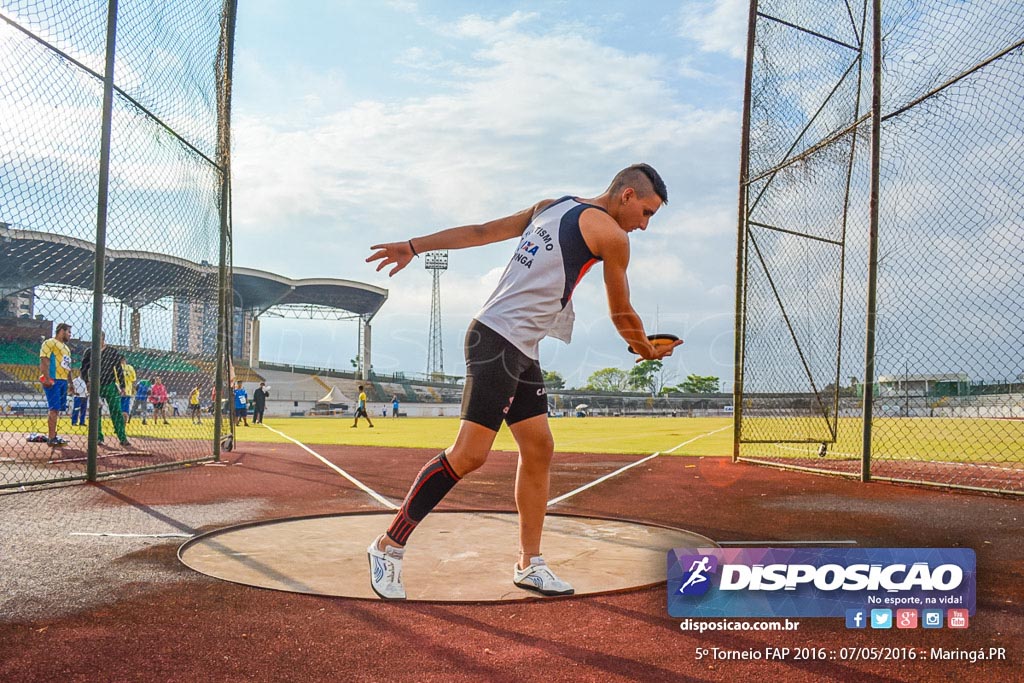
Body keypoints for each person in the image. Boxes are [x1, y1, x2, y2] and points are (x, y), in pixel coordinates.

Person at [363, 164, 681, 600]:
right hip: (498, 340)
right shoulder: (611, 235)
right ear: (627, 195)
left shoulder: (552, 205)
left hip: (517, 344)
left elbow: (479, 232)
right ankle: (388, 546)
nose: (644, 224)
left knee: (539, 447)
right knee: (469, 455)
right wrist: (644, 349)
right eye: (646, 212)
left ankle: (529, 563)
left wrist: (414, 246)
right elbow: (621, 311)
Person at [80, 333, 131, 449]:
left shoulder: (112, 352)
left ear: (103, 339)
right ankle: (98, 437)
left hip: (110, 384)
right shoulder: (89, 352)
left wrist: (122, 385)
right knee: (95, 413)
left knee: (116, 411)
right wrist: (87, 381)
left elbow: (118, 369)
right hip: (95, 385)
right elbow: (83, 368)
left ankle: (122, 437)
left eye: (99, 339)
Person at [38, 322, 72, 447]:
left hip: (63, 380)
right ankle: (51, 437)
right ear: (61, 331)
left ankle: (54, 435)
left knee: (58, 410)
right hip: (53, 379)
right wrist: (47, 378)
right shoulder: (49, 343)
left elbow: (68, 367)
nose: (70, 335)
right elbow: (44, 360)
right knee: (54, 409)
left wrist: (70, 383)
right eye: (68, 332)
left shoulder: (66, 348)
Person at [120, 358, 136, 423]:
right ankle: (123, 423)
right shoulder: (130, 368)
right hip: (126, 390)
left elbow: (133, 379)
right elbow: (133, 379)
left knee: (122, 408)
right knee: (125, 408)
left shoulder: (116, 367)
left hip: (121, 390)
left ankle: (122, 424)